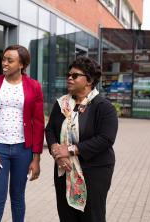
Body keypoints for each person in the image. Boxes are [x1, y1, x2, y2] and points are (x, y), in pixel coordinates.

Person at [46, 57, 118, 222]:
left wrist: (70, 150)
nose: (69, 78)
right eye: (68, 74)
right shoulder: (62, 104)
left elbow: (106, 139)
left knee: (91, 215)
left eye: (75, 75)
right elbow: (50, 129)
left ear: (90, 81)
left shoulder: (103, 107)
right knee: (66, 215)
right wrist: (56, 150)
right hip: (64, 168)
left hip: (94, 170)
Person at [0, 45, 44, 222]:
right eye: (4, 59)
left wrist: (36, 158)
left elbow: (39, 123)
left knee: (18, 197)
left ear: (22, 64)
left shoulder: (34, 86)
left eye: (10, 60)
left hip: (23, 149)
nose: (5, 63)